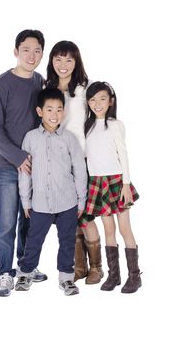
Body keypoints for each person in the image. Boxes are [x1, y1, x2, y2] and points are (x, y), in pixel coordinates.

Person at [0, 29, 47, 297]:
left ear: (42, 54)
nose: (31, 56)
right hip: (9, 168)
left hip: (35, 168)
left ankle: (25, 267)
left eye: (37, 51)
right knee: (7, 223)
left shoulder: (40, 81)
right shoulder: (1, 85)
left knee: (29, 222)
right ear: (16, 51)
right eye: (26, 50)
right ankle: (4, 274)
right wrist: (18, 157)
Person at [17, 88, 87, 296]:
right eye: (49, 109)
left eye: (58, 110)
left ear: (63, 112)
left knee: (67, 241)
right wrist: (25, 200)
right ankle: (25, 272)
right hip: (39, 203)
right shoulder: (30, 138)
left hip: (67, 202)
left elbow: (79, 170)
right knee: (34, 239)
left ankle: (66, 278)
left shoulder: (69, 139)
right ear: (40, 111)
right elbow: (25, 173)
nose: (54, 114)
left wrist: (81, 200)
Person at [45, 40, 103, 285]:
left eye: (69, 59)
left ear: (76, 62)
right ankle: (79, 267)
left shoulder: (84, 88)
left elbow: (99, 118)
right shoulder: (47, 87)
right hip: (58, 163)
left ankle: (97, 268)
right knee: (71, 218)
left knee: (86, 216)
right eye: (58, 59)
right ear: (51, 61)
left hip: (83, 161)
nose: (63, 65)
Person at [80, 81, 142, 293]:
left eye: (102, 99)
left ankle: (134, 276)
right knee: (108, 229)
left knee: (124, 228)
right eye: (93, 99)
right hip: (97, 182)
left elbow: (123, 154)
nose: (97, 103)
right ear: (88, 102)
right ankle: (113, 275)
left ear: (111, 101)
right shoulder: (86, 126)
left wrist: (126, 184)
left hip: (116, 182)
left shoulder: (115, 124)